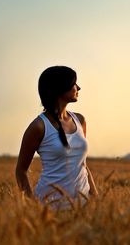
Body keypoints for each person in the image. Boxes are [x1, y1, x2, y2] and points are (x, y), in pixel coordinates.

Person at [15, 66, 98, 209]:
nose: (78, 87)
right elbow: (21, 170)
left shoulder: (80, 120)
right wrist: (32, 205)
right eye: (74, 83)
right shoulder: (39, 126)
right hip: (50, 207)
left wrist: (96, 197)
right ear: (60, 88)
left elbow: (83, 164)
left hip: (83, 205)